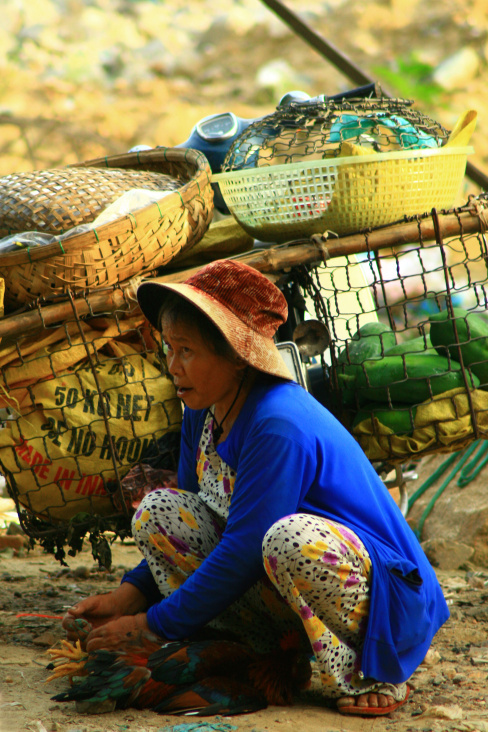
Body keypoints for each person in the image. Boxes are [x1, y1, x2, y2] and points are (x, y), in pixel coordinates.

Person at [63, 259, 449, 717]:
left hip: (386, 597)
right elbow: (198, 514)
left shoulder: (278, 424)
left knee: (288, 541)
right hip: (280, 575)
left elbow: (246, 546)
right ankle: (251, 647)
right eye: (169, 348)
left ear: (234, 355)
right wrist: (130, 594)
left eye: (186, 350)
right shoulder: (201, 410)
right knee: (160, 510)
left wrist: (150, 625)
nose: (172, 366)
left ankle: (379, 668)